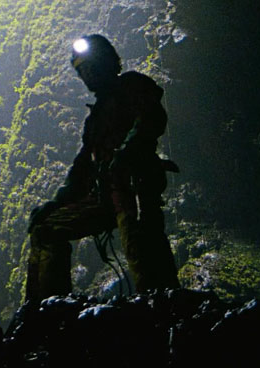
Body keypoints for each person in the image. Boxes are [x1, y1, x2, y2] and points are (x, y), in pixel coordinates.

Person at [24, 34, 180, 303]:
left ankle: (162, 307)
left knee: (142, 247)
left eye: (90, 67)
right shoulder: (95, 119)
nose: (87, 76)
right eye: (81, 71)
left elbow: (151, 118)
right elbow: (82, 167)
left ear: (108, 62)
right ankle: (46, 311)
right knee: (46, 229)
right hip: (104, 196)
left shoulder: (133, 86)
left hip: (134, 187)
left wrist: (126, 154)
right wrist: (56, 203)